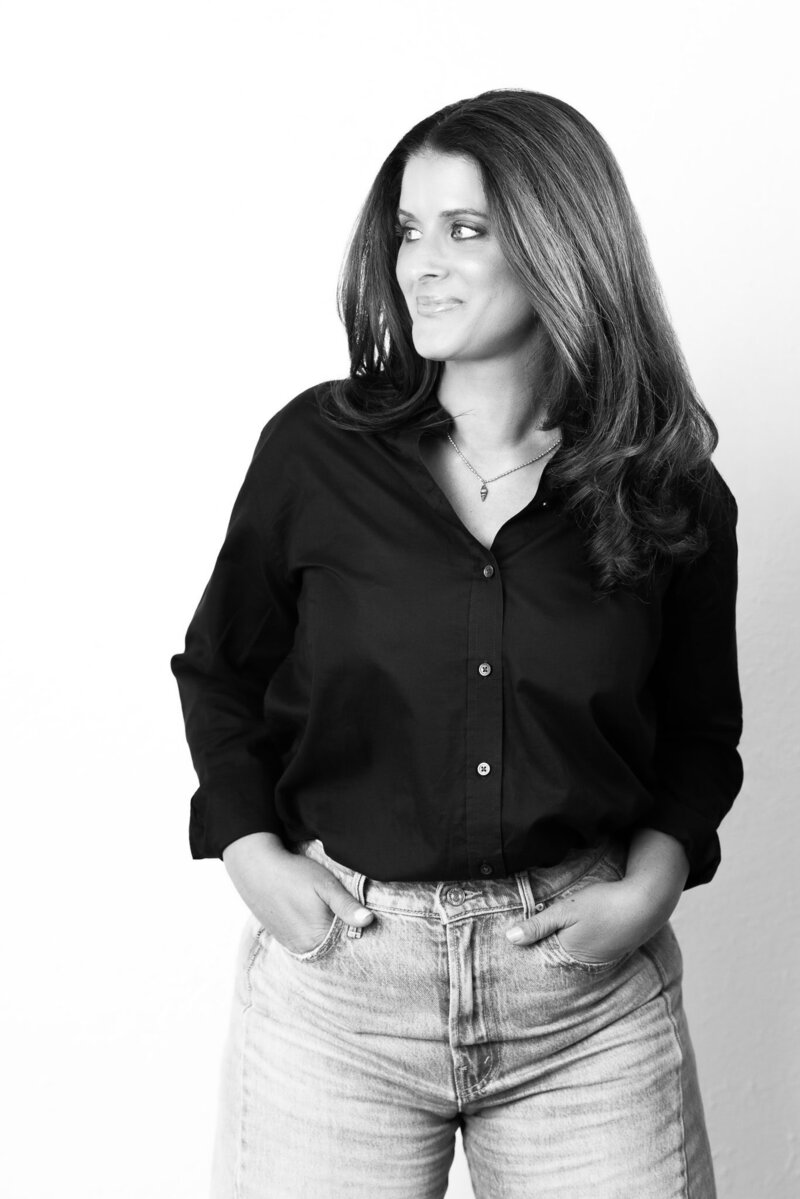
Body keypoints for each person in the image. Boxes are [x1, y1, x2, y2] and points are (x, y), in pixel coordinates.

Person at [170, 88, 742, 1198]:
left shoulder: (664, 488)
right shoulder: (315, 453)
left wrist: (652, 882)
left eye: (463, 230)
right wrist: (248, 850)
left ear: (560, 243)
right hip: (344, 991)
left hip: (581, 1008)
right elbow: (221, 669)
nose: (419, 263)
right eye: (407, 230)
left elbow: (698, 730)